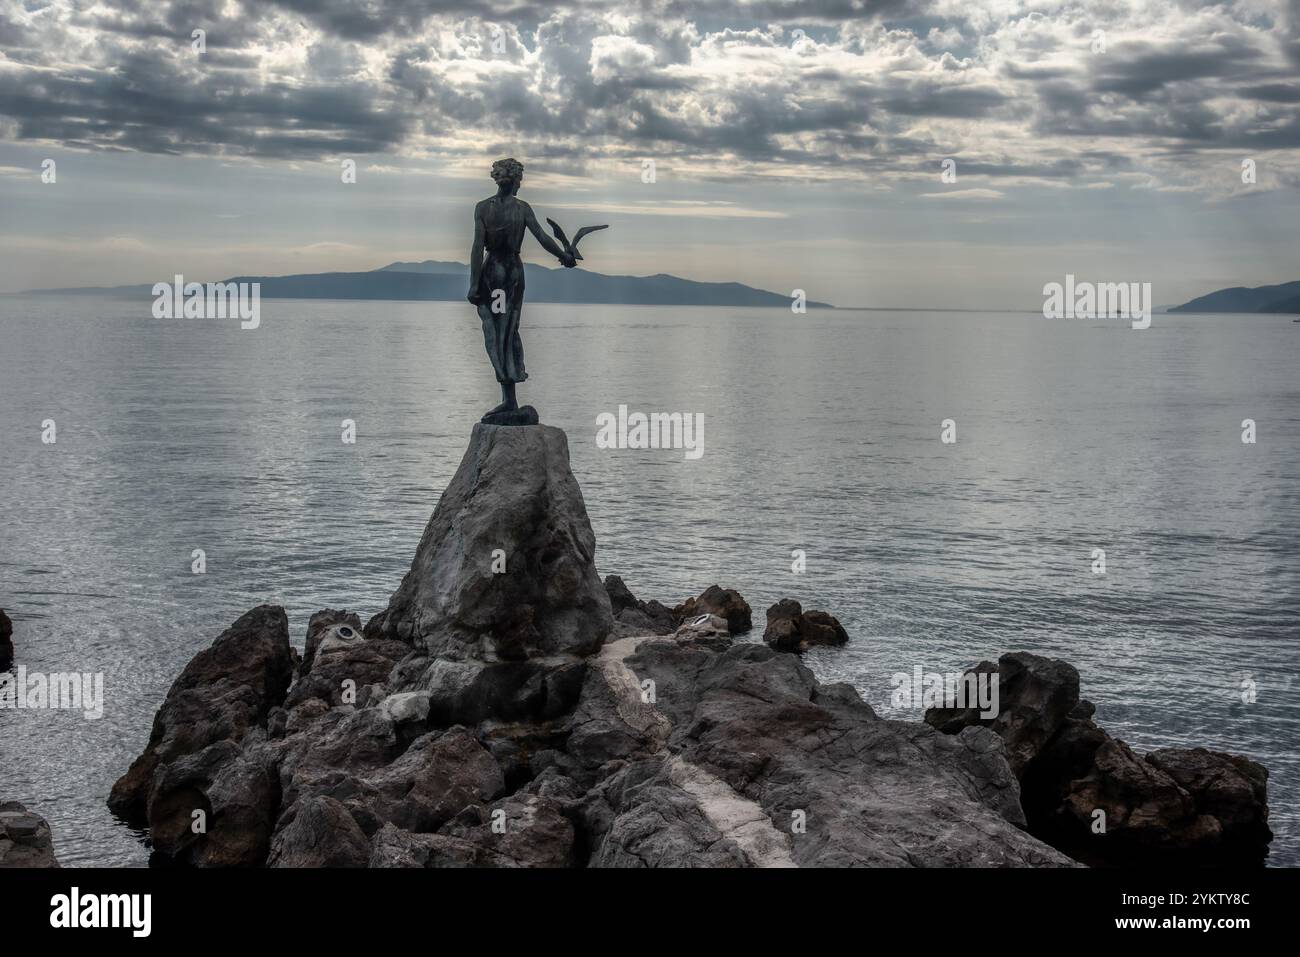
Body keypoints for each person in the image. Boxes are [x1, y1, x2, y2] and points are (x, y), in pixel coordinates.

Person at [467, 157, 576, 416]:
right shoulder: (520, 208)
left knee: (498, 331)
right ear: (515, 181)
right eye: (520, 181)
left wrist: (473, 283)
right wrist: (564, 255)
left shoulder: (483, 207)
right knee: (504, 330)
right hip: (508, 274)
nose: (519, 186)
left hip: (494, 273)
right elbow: (541, 236)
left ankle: (509, 397)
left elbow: (476, 247)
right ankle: (509, 397)